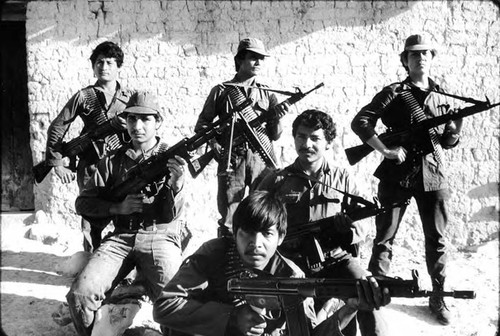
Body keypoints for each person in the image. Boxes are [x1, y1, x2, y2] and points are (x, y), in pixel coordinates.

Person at [153, 190, 390, 336]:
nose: (256, 243)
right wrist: (231, 318)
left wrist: (351, 308)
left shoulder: (291, 276)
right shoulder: (214, 254)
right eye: (247, 232)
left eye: (266, 234)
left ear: (281, 238)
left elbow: (307, 334)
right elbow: (165, 306)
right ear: (234, 233)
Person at [350, 34, 463, 325]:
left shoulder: (445, 95)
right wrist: (386, 150)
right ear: (405, 61)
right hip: (397, 175)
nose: (421, 58)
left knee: (436, 239)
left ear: (432, 58)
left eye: (425, 53)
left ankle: (438, 295)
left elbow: (447, 142)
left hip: (433, 173)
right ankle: (374, 294)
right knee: (385, 237)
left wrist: (453, 132)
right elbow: (361, 122)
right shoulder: (394, 92)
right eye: (414, 55)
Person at [257, 109, 387, 336]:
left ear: (328, 143)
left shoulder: (342, 179)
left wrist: (347, 232)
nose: (306, 143)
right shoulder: (276, 180)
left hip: (334, 260)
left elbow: (363, 225)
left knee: (368, 291)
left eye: (315, 138)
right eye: (301, 136)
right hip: (288, 263)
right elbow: (253, 222)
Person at [67, 91, 186, 336]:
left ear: (158, 122)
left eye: (145, 120)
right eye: (132, 119)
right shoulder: (111, 161)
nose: (137, 126)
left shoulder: (172, 159)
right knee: (80, 294)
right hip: (121, 237)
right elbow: (83, 203)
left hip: (160, 237)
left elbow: (175, 214)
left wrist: (177, 184)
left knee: (176, 302)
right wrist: (116, 208)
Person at [194, 37, 290, 236]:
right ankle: (227, 262)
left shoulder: (267, 94)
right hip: (232, 158)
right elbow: (202, 124)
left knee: (260, 215)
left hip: (260, 159)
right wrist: (214, 145)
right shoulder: (222, 91)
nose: (258, 63)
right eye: (253, 58)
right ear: (240, 60)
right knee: (230, 217)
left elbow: (275, 135)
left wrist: (277, 118)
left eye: (261, 59)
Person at [45, 41, 132, 252]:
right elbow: (57, 128)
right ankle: (90, 261)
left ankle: (120, 261)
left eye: (110, 62)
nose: (104, 66)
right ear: (93, 66)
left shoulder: (130, 98)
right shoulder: (84, 96)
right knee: (91, 215)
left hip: (120, 165)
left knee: (125, 213)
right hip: (91, 165)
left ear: (118, 66)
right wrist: (57, 164)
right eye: (99, 62)